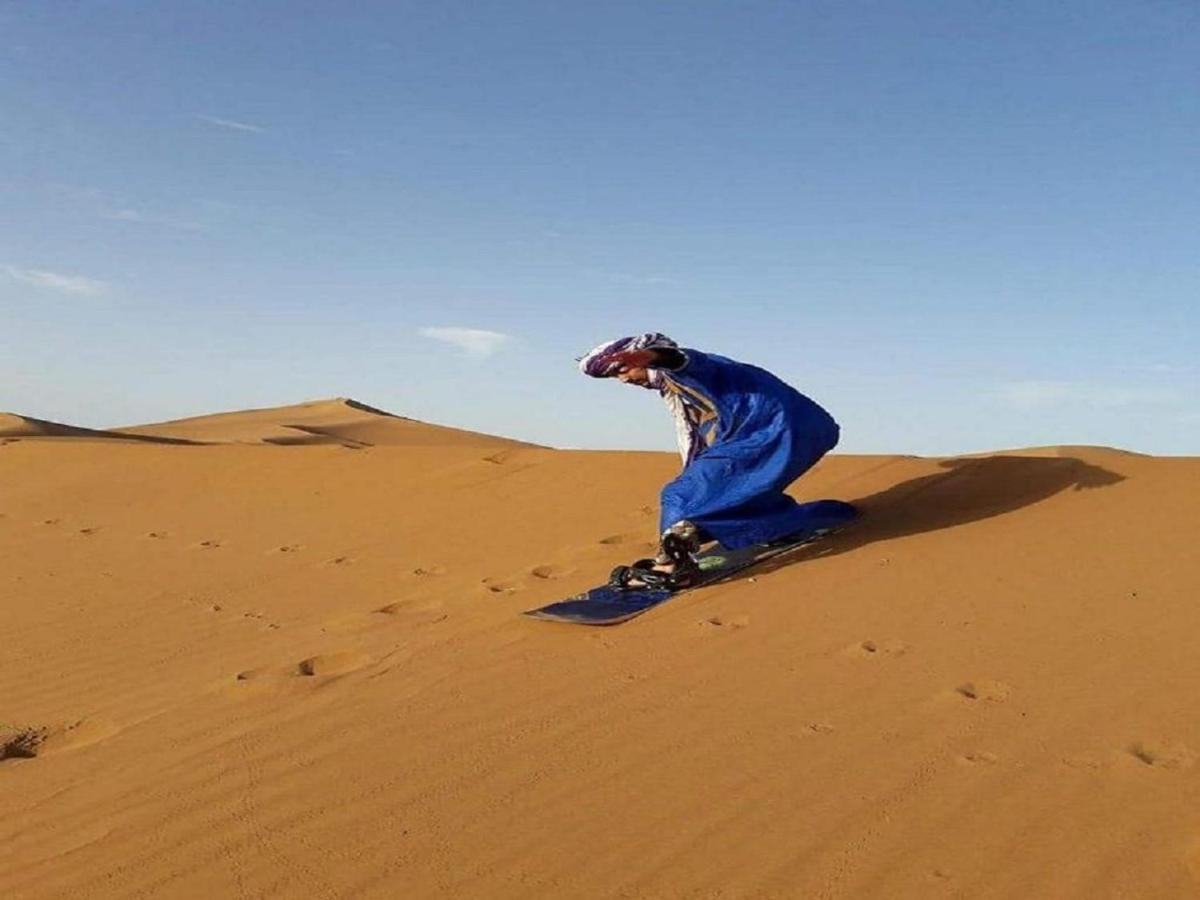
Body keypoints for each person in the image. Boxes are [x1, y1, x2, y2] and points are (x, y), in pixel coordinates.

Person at [579, 332, 843, 588]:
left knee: (680, 495)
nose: (623, 380)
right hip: (800, 427)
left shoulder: (684, 369)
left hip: (775, 428)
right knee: (734, 491)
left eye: (622, 370)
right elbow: (694, 435)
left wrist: (651, 356)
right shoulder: (678, 388)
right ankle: (781, 526)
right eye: (615, 375)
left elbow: (681, 360)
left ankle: (671, 567)